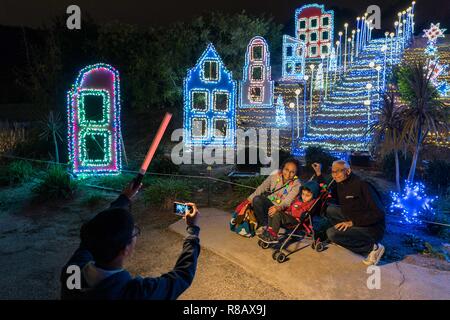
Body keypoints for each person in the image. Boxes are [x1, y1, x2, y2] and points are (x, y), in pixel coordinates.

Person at [60, 180, 201, 300]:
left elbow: (98, 227)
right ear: (125, 249)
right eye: (135, 232)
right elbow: (182, 276)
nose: (136, 234)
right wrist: (193, 231)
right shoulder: (136, 293)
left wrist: (124, 198)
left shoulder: (73, 271)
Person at [313, 160, 386, 266]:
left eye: (338, 171)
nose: (334, 175)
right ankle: (345, 236)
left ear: (348, 171)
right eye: (333, 172)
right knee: (330, 210)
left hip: (371, 228)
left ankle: (373, 247)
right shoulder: (340, 183)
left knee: (331, 234)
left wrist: (352, 223)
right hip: (353, 218)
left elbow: (379, 214)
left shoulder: (363, 185)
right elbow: (327, 190)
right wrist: (319, 174)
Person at [240, 158, 301, 235]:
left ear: (296, 173)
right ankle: (265, 225)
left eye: (292, 172)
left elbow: (287, 202)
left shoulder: (297, 184)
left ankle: (271, 230)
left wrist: (278, 208)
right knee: (257, 199)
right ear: (282, 168)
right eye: (286, 169)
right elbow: (263, 187)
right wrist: (249, 199)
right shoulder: (275, 174)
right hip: (270, 202)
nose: (288, 174)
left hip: (282, 208)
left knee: (275, 211)